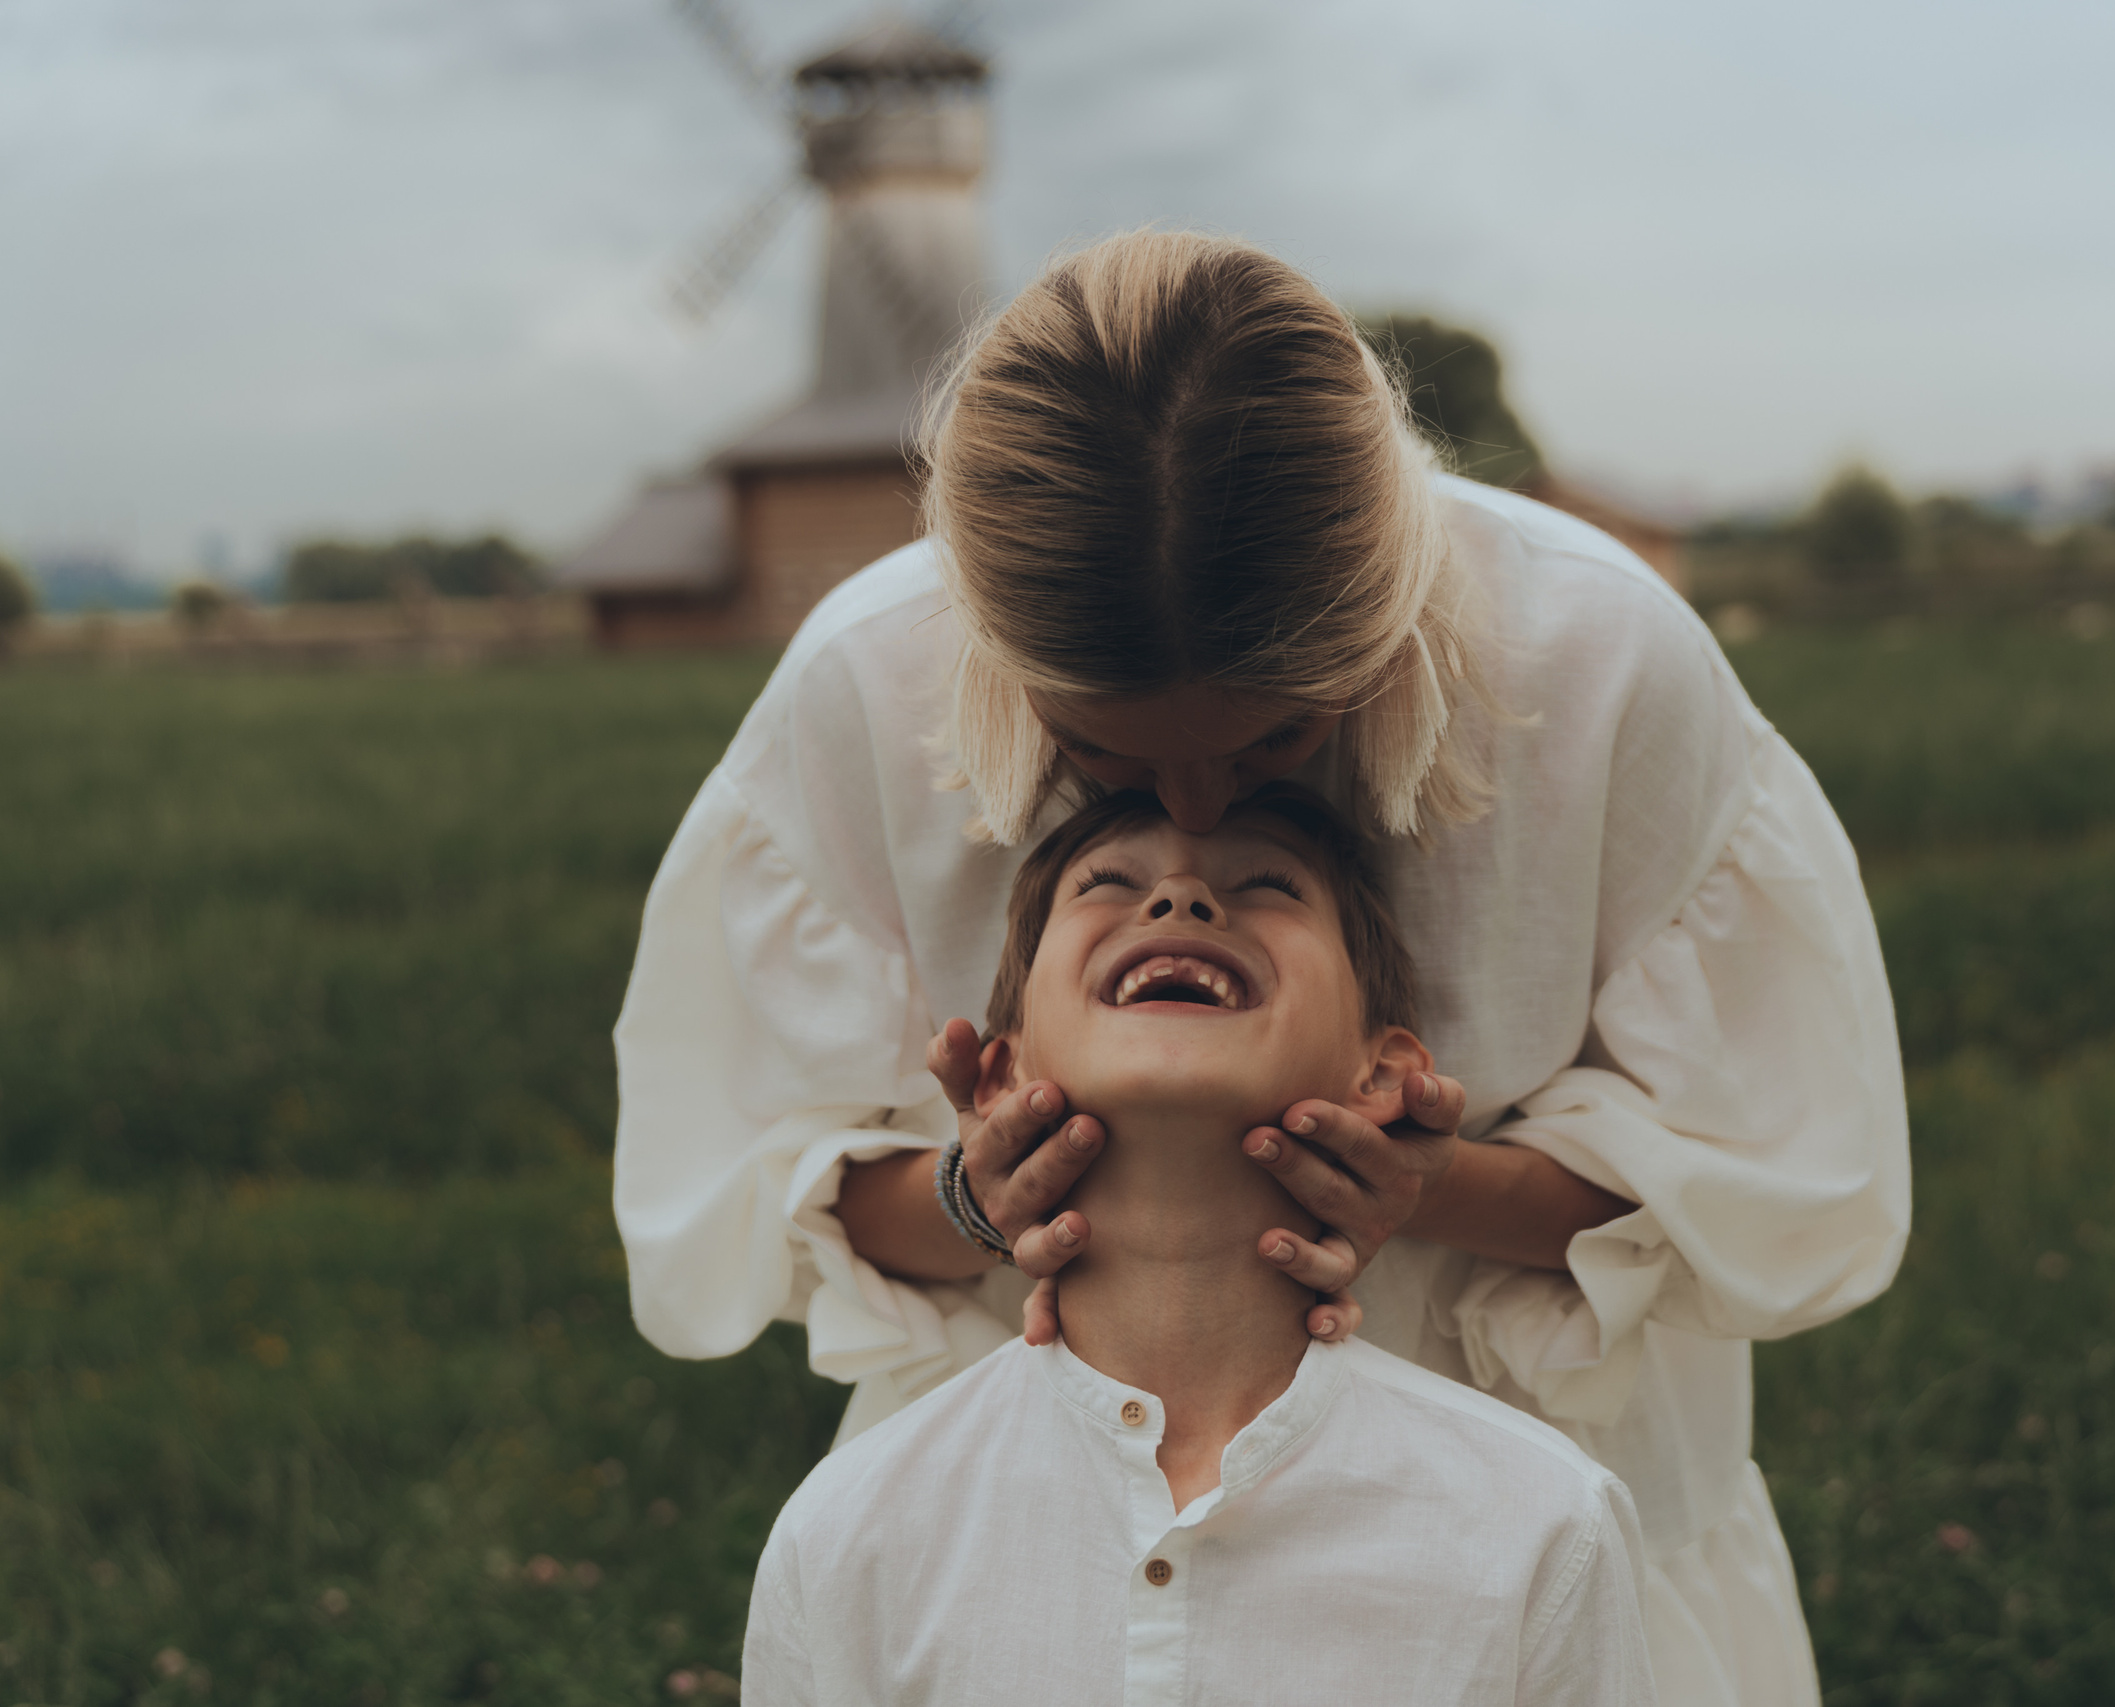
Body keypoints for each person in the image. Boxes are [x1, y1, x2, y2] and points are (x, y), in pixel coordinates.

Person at [613, 229, 1909, 1703]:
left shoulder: (1601, 661)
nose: (1192, 817)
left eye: (1278, 736)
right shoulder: (863, 680)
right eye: (1100, 757)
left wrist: (1434, 1187)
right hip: (1028, 1564)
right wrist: (977, 1194)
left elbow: (1783, 1183)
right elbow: (746, 1195)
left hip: (1526, 1564)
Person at [742, 785, 1656, 1706]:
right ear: (1004, 1071)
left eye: (1269, 885)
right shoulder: (850, 1536)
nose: (1180, 897)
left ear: (1383, 1073)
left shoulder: (1538, 1528)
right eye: (1108, 881)